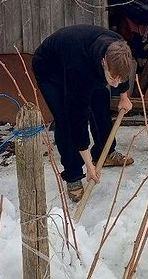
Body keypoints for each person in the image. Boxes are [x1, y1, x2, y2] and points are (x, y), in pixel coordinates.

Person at [32, 25, 136, 202]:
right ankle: (73, 175)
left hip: (82, 60)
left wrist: (124, 96)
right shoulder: (80, 70)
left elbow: (121, 76)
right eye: (113, 78)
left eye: (120, 80)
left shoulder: (120, 49)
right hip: (51, 71)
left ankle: (105, 153)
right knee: (66, 120)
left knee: (101, 104)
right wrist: (88, 164)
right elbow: (77, 119)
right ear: (104, 62)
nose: (115, 84)